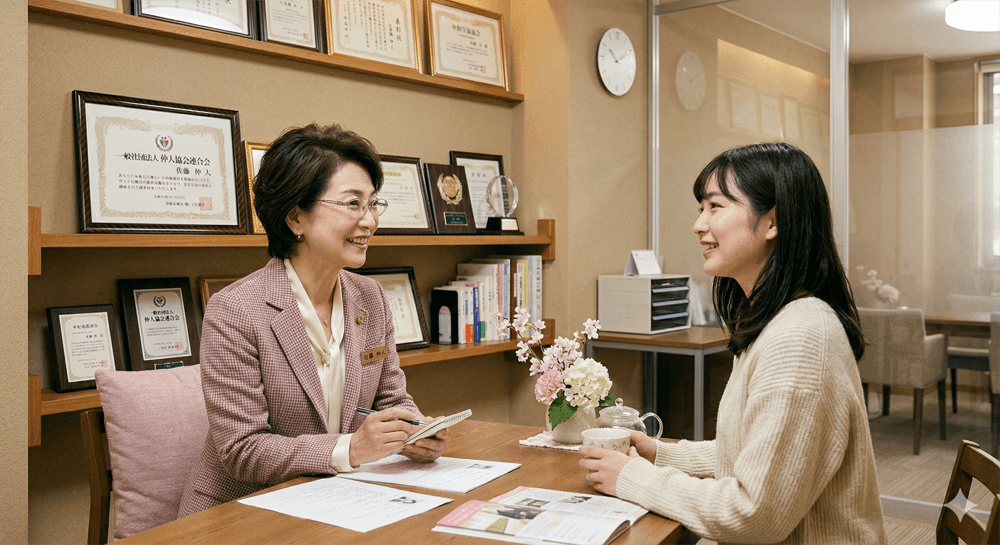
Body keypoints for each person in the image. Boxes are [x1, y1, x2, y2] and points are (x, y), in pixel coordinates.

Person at [579, 143, 887, 544]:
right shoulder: (780, 319)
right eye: (700, 208)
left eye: (716, 206)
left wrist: (634, 477)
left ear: (772, 222)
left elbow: (753, 514)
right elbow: (754, 452)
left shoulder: (800, 337)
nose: (699, 224)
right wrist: (661, 454)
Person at [178, 124, 449, 516]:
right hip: (241, 511)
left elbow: (390, 399)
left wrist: (412, 431)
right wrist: (350, 448)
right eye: (353, 203)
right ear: (294, 218)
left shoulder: (370, 297)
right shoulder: (234, 311)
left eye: (373, 204)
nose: (370, 221)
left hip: (335, 499)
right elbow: (242, 450)